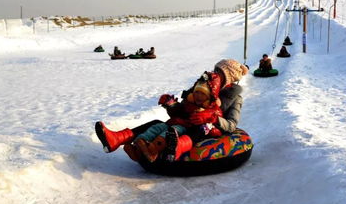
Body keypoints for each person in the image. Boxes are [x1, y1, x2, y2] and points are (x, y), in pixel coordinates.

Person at [95, 59, 248, 162]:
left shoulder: (234, 98)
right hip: (184, 123)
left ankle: (172, 148)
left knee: (195, 129)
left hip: (206, 129)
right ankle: (116, 139)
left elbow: (231, 124)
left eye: (220, 74)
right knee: (156, 123)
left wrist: (213, 118)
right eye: (215, 71)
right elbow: (183, 109)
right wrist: (171, 105)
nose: (214, 75)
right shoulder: (201, 86)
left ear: (227, 79)